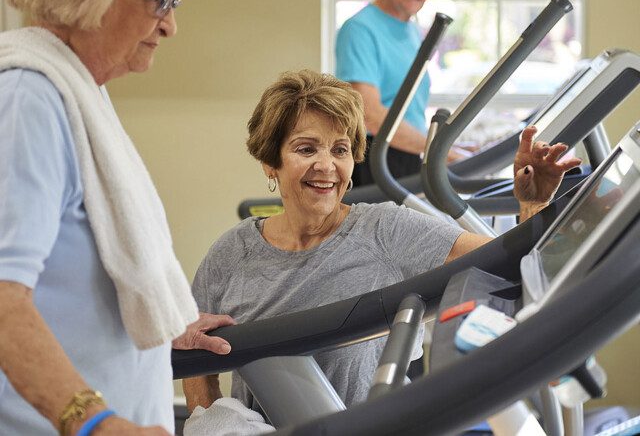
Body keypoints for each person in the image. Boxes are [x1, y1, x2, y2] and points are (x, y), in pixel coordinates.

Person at [182, 70, 581, 413]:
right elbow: (193, 360)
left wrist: (533, 203)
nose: (326, 165)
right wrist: (214, 424)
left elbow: (510, 265)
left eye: (340, 149)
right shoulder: (230, 256)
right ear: (271, 162)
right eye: (306, 149)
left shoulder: (386, 231)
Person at [0, 0, 235, 435]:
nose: (170, 25)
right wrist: (96, 423)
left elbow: (77, 267)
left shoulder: (79, 90)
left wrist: (160, 318)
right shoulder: (28, 100)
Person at [336, 0, 462, 187]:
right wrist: (442, 152)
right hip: (376, 159)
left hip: (408, 156)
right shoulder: (360, 29)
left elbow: (409, 110)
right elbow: (369, 113)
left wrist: (444, 146)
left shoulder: (412, 30)